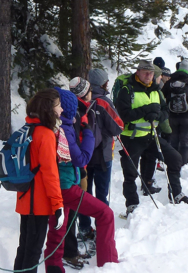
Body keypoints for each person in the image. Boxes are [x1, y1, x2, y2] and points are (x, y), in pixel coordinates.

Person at [45, 84, 119, 270]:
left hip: (59, 185)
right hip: (66, 186)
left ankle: (55, 267)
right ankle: (108, 263)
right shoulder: (65, 129)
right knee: (105, 214)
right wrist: (88, 132)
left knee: (58, 231)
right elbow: (80, 158)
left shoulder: (56, 125)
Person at [117, 60, 188, 216]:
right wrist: (146, 110)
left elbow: (165, 111)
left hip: (151, 136)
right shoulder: (127, 90)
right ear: (137, 72)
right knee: (130, 173)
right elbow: (123, 116)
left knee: (175, 158)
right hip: (132, 138)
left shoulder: (156, 90)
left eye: (151, 73)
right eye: (145, 72)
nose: (149, 76)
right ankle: (132, 205)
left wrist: (157, 114)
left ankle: (176, 193)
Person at [13, 89, 65, 272]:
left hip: (25, 198)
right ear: (48, 108)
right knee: (33, 251)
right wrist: (58, 205)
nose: (61, 110)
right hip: (39, 203)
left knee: (24, 249)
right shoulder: (45, 134)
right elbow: (50, 174)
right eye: (58, 105)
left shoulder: (28, 129)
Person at [74, 69, 123, 257]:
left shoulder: (78, 100)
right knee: (101, 196)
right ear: (103, 83)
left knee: (84, 195)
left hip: (82, 157)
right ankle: (102, 229)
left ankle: (85, 229)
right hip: (102, 156)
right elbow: (118, 126)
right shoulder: (103, 101)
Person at [162, 61, 188, 164]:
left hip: (172, 116)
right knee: (185, 142)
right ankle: (182, 163)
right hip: (187, 117)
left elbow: (162, 98)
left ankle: (173, 163)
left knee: (174, 141)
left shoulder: (170, 82)